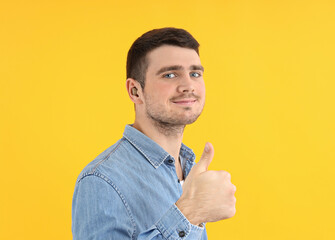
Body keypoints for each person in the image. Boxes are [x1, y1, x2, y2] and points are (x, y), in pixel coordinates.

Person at [72, 27, 236, 239]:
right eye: (170, 74)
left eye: (195, 73)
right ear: (135, 91)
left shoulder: (188, 167)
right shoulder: (101, 181)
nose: (188, 85)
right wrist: (189, 213)